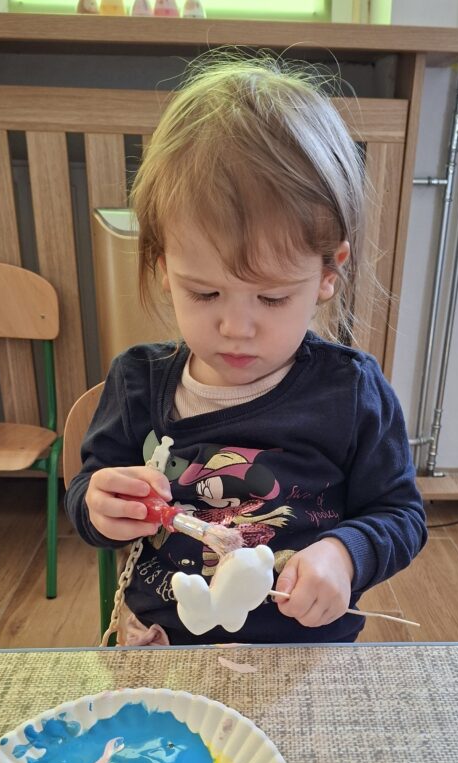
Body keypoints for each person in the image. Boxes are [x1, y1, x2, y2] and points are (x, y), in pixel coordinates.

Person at [66, 53, 427, 646]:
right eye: (205, 292)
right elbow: (88, 494)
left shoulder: (349, 391)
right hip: (163, 653)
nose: (236, 327)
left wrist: (345, 553)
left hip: (302, 654)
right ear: (162, 265)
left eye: (272, 297)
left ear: (327, 273)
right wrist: (100, 506)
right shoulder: (138, 383)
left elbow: (401, 515)